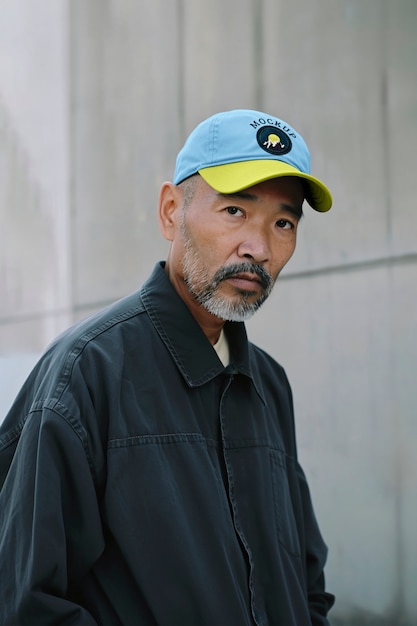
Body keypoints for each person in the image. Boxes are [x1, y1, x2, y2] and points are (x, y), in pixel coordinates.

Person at [0, 109, 335, 625]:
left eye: (283, 222)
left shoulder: (269, 384)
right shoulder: (84, 375)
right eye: (234, 212)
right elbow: (26, 604)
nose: (259, 248)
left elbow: (306, 581)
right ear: (170, 210)